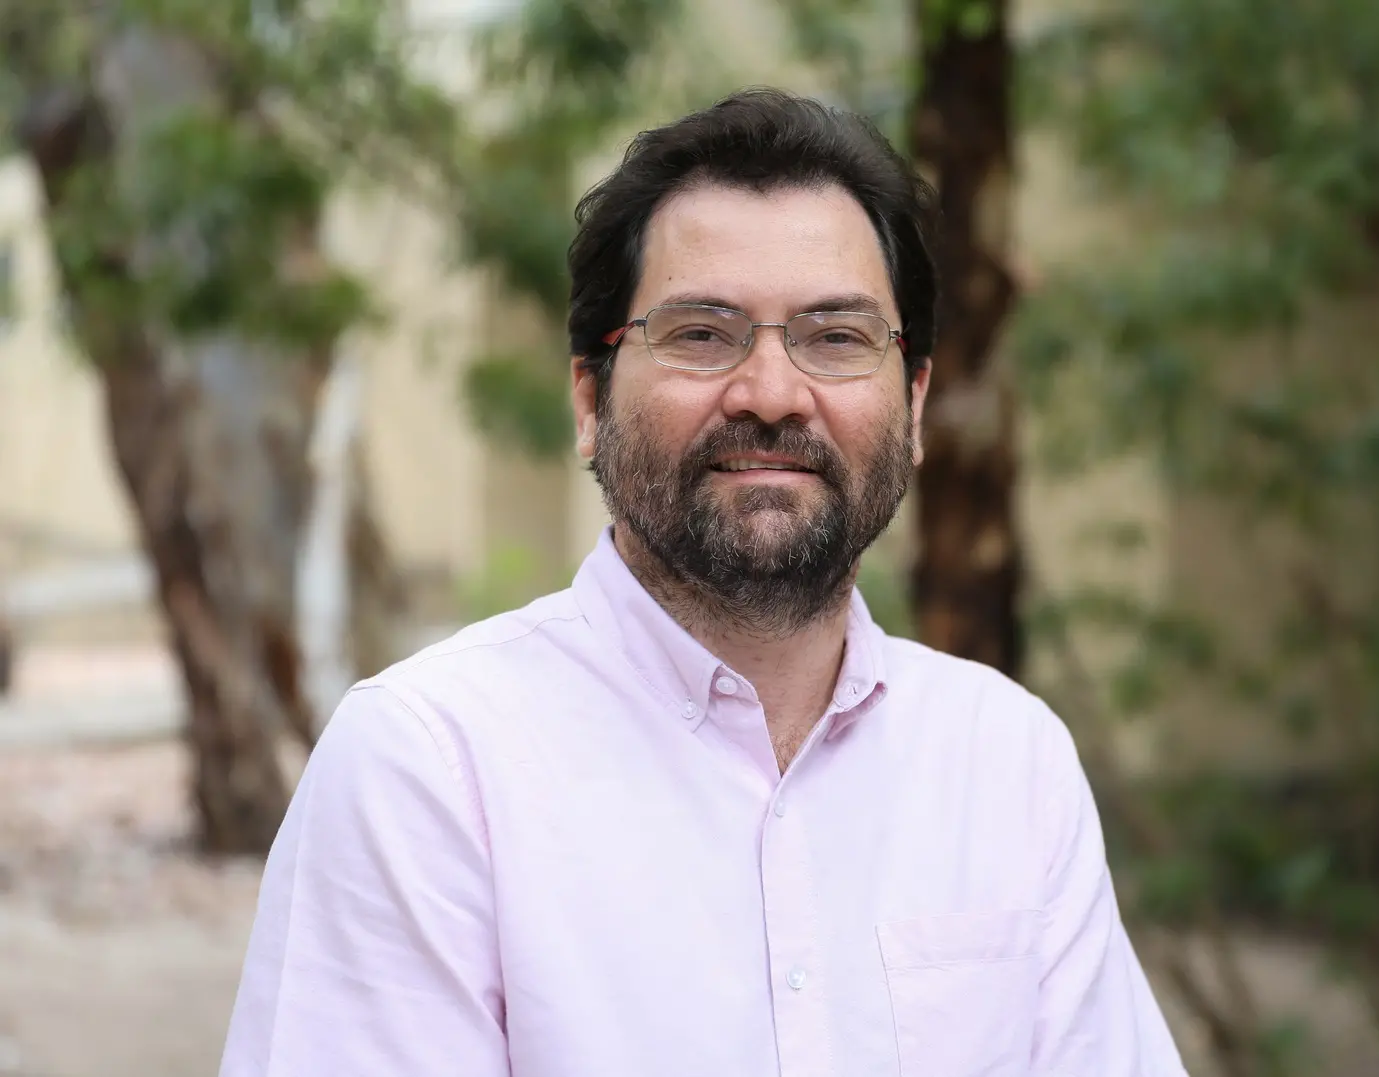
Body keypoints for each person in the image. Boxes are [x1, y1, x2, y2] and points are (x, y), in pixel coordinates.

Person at [219, 88, 1188, 1077]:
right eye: (701, 334)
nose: (771, 394)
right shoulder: (430, 769)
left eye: (836, 337)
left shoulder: (1008, 761)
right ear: (589, 398)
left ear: (914, 402)